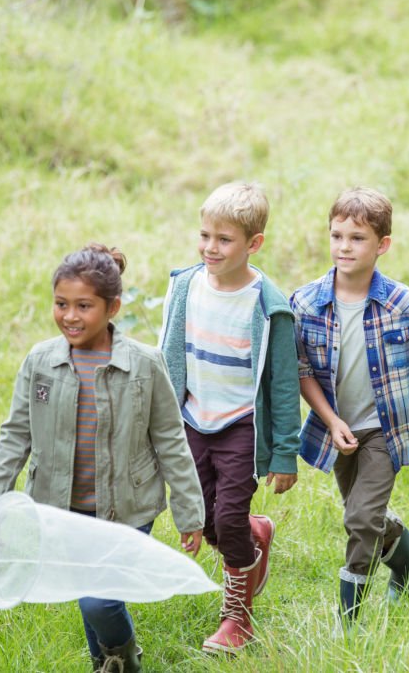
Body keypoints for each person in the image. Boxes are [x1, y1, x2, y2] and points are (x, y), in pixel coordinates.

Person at [0, 244, 204, 673]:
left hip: (128, 506)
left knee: (98, 597)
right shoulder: (40, 362)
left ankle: (124, 658)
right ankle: (107, 663)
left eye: (84, 306)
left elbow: (171, 440)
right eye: (61, 304)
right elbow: (15, 436)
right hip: (62, 509)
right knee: (91, 595)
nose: (70, 316)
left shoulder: (144, 364)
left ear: (112, 307)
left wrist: (189, 511)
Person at [291, 187, 409, 629]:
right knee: (362, 514)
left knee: (361, 518)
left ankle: (346, 621)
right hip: (339, 430)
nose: (344, 247)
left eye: (357, 238)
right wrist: (331, 422)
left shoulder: (401, 304)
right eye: (337, 236)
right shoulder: (307, 303)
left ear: (382, 245)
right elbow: (302, 370)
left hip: (387, 430)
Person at [158, 181, 301, 654]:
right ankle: (256, 537)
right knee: (204, 518)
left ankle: (237, 616)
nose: (209, 248)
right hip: (192, 419)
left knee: (229, 516)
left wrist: (284, 453)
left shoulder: (268, 306)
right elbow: (167, 359)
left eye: (223, 240)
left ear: (253, 243)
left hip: (240, 424)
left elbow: (282, 385)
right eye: (204, 236)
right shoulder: (184, 287)